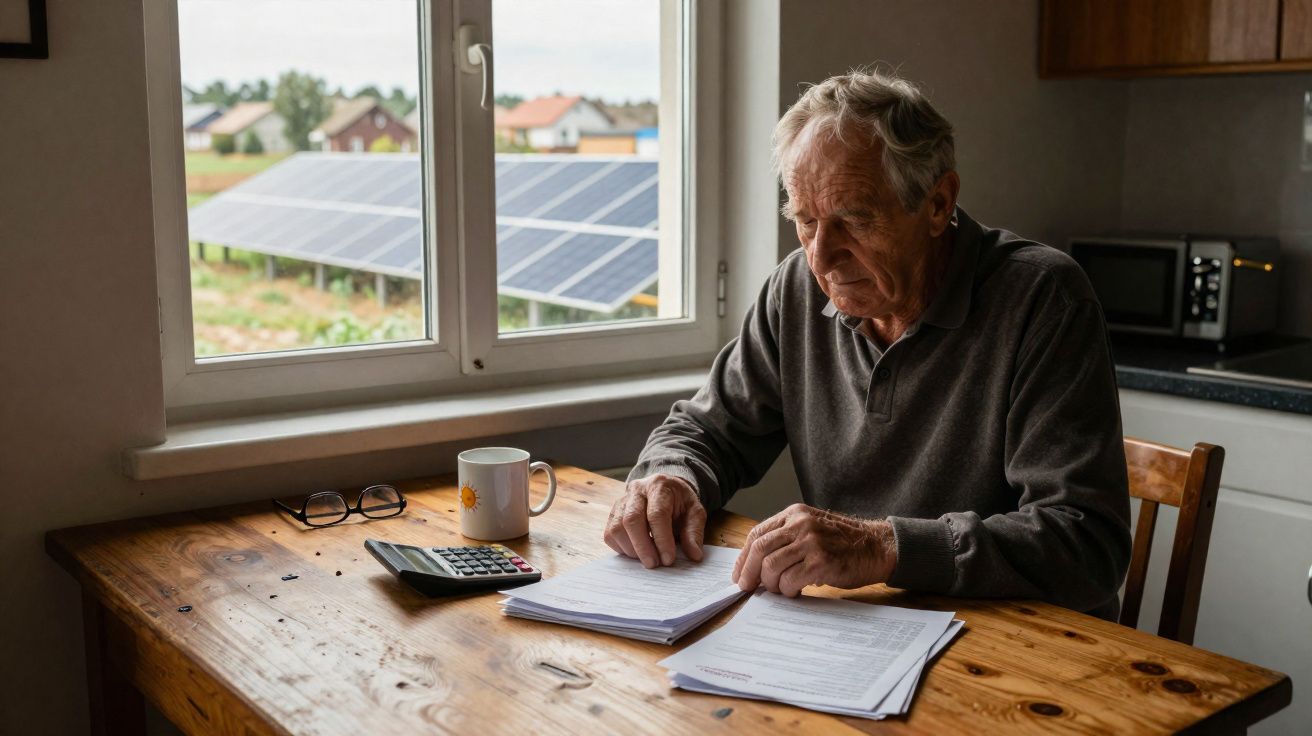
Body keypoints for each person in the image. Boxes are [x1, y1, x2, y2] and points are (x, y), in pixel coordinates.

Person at [603, 69, 1132, 619]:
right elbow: (706, 431)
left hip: (1024, 648)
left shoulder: (1043, 298)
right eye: (805, 222)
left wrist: (882, 546)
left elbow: (1087, 542)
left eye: (854, 220)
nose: (822, 258)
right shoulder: (797, 288)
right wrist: (670, 476)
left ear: (937, 204)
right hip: (862, 630)